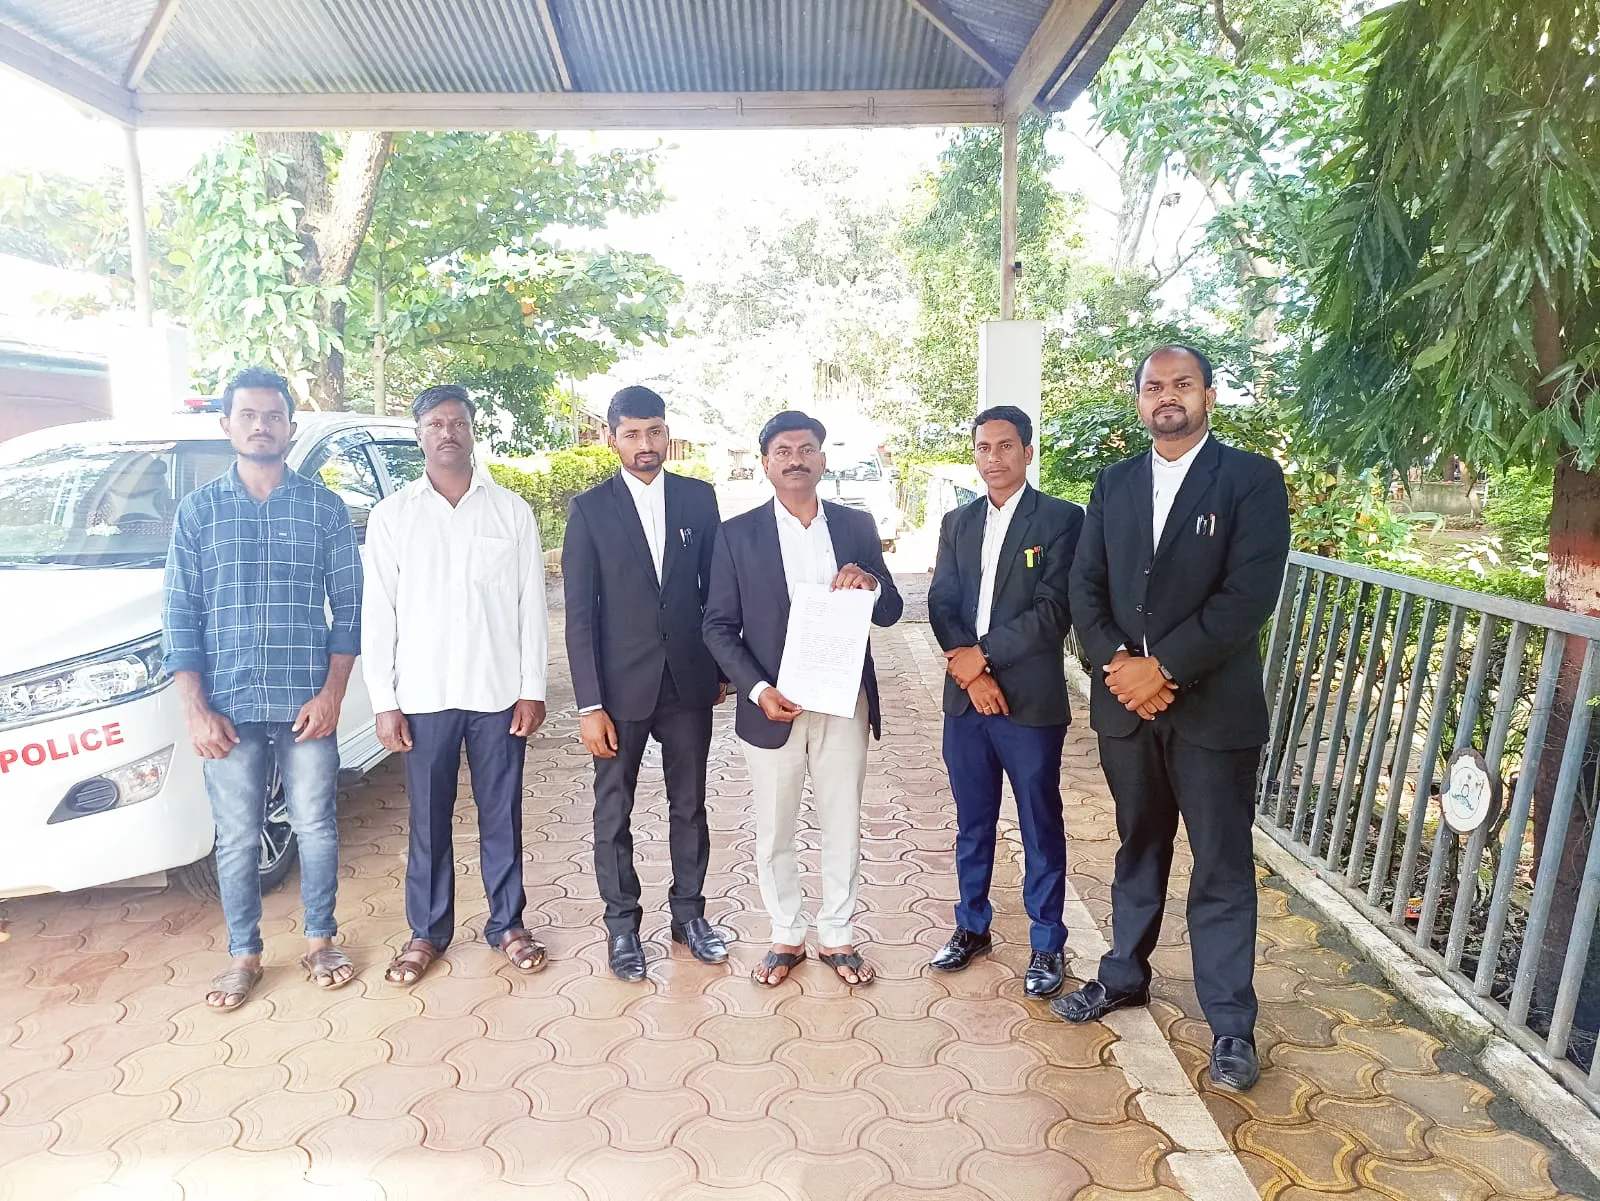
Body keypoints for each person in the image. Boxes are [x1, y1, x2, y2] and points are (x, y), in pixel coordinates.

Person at [1056, 345, 1290, 1092]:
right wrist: (1119, 666)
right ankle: (1124, 975)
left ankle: (1230, 1026)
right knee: (1138, 846)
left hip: (1213, 712)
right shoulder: (1114, 483)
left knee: (1221, 865)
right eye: (1154, 386)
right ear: (1139, 401)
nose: (1167, 396)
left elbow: (1248, 595)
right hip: (1129, 710)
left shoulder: (1250, 479)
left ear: (1208, 396)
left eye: (1182, 384)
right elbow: (1085, 585)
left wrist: (1163, 668)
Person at [162, 367, 362, 1010]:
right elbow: (180, 614)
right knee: (238, 836)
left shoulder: (323, 508)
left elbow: (350, 609)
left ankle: (321, 940)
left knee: (316, 825)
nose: (261, 426)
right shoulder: (199, 512)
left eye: (273, 416)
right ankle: (243, 954)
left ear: (290, 427)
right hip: (227, 706)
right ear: (227, 426)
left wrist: (332, 694)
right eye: (248, 415)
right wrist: (194, 707)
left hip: (307, 703)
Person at [703, 410, 903, 988]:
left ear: (822, 458)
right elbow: (717, 626)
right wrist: (758, 689)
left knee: (843, 820)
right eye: (783, 451)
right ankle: (786, 932)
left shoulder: (856, 525)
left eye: (807, 449)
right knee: (775, 827)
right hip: (773, 705)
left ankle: (837, 932)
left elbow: (890, 610)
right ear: (765, 463)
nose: (796, 459)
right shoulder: (737, 535)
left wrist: (871, 583)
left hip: (843, 703)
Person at [362, 384, 550, 985]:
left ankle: (508, 924)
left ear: (472, 431)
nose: (448, 433)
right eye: (436, 424)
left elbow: (530, 606)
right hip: (423, 697)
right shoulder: (393, 516)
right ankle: (427, 931)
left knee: (502, 815)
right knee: (427, 819)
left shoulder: (510, 512)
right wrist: (384, 701)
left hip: (497, 694)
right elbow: (379, 614)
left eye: (458, 423)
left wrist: (533, 687)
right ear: (419, 435)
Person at [563, 386, 728, 981]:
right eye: (632, 434)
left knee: (690, 804)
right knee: (614, 811)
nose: (645, 444)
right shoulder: (590, 510)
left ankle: (689, 915)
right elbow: (579, 616)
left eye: (654, 431)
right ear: (611, 439)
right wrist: (589, 704)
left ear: (667, 433)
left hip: (688, 682)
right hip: (619, 691)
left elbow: (717, 592)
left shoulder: (697, 499)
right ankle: (622, 927)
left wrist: (720, 670)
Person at [926, 405, 1083, 999]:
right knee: (973, 821)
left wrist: (983, 657)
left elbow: (1053, 611)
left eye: (1006, 446)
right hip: (966, 702)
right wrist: (971, 674)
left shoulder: (1062, 520)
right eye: (983, 447)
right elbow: (941, 602)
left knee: (1040, 822)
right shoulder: (958, 522)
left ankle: (1047, 941)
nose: (993, 458)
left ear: (1027, 452)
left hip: (1030, 704)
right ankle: (972, 926)